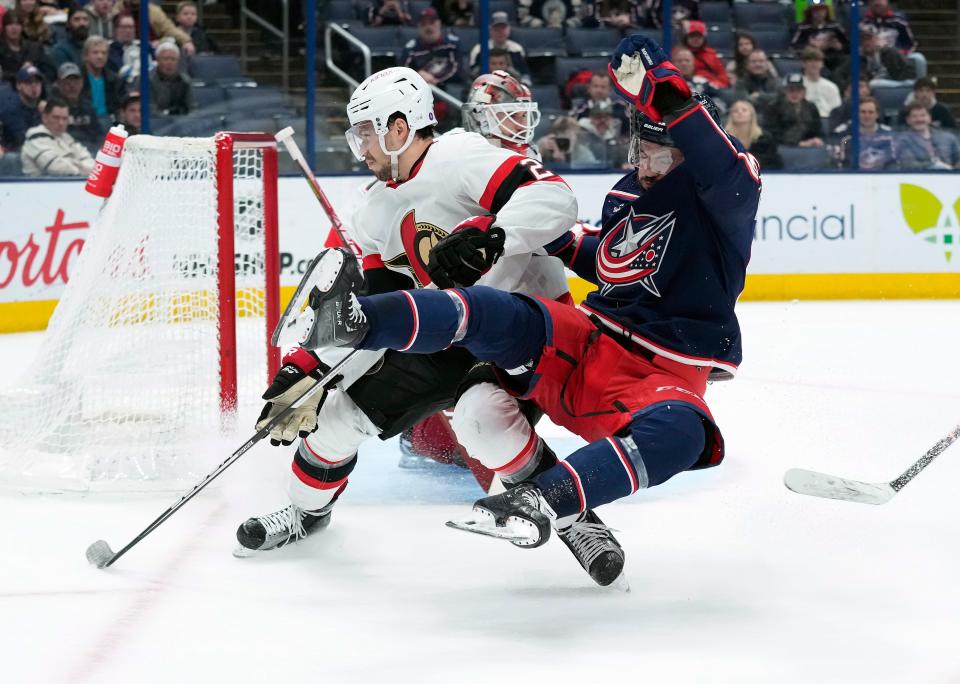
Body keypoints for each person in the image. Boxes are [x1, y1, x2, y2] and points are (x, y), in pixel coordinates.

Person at [295, 33, 760, 562]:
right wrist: (499, 230)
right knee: (483, 340)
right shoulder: (629, 194)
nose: (643, 166)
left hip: (661, 366)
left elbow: (718, 162)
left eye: (657, 154)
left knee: (680, 433)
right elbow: (604, 259)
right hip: (586, 337)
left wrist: (668, 95)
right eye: (640, 151)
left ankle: (547, 501)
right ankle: (355, 330)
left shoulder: (724, 198)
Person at [235, 66, 625, 587]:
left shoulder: (461, 157)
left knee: (484, 421)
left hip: (526, 325)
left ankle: (578, 520)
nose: (361, 147)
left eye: (368, 132)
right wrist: (308, 368)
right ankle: (307, 513)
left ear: (400, 128)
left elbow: (556, 198)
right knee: (333, 417)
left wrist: (493, 235)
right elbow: (366, 308)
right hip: (447, 331)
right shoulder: (372, 210)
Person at [21, 96, 95, 175]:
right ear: (45, 118)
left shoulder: (66, 137)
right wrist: (83, 170)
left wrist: (87, 170)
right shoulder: (35, 138)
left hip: (72, 182)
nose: (61, 123)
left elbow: (87, 158)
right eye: (56, 118)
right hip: (41, 185)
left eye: (64, 118)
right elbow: (56, 168)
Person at [834, 25, 913, 90]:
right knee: (872, 84)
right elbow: (838, 74)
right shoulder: (855, 58)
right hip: (869, 91)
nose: (866, 42)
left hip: (893, 87)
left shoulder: (890, 53)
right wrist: (847, 88)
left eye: (869, 39)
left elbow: (908, 70)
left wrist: (899, 82)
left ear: (876, 39)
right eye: (863, 40)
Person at [860, 0, 924, 77]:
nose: (877, 2)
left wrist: (901, 54)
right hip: (871, 59)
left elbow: (910, 44)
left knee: (917, 58)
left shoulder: (899, 22)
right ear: (869, 3)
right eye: (873, 0)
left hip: (896, 60)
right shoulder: (863, 23)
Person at [401, 7, 461, 89]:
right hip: (420, 90)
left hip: (446, 90)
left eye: (432, 23)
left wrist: (436, 80)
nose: (428, 27)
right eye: (424, 24)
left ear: (439, 24)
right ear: (418, 28)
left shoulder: (452, 44)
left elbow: (458, 71)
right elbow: (403, 75)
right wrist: (418, 75)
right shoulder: (410, 49)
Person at [467, 11, 531, 85]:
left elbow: (524, 73)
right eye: (497, 29)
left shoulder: (517, 49)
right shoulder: (479, 49)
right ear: (490, 31)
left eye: (503, 29)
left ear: (509, 30)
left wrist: (523, 86)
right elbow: (472, 74)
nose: (500, 32)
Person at [50, 61, 102, 151]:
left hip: (89, 150)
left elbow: (99, 135)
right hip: (63, 150)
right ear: (58, 84)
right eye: (67, 82)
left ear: (82, 83)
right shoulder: (52, 108)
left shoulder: (88, 107)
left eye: (75, 82)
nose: (72, 86)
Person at [834, 96, 896, 170]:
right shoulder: (843, 134)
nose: (867, 116)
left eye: (871, 112)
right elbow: (838, 161)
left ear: (877, 114)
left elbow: (893, 162)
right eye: (863, 112)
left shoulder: (888, 134)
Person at [896, 102, 960, 170]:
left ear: (930, 118)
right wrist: (934, 165)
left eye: (923, 115)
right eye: (914, 116)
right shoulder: (902, 140)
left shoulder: (948, 137)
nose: (919, 119)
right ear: (908, 120)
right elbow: (908, 164)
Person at [765, 73, 824, 147]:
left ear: (804, 92)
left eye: (798, 90)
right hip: (783, 146)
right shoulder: (773, 107)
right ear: (785, 91)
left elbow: (818, 129)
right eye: (791, 90)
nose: (795, 94)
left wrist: (816, 139)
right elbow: (771, 133)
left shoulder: (811, 107)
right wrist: (799, 143)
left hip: (809, 146)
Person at [790, 0, 848, 74]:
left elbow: (848, 45)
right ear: (810, 12)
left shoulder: (835, 26)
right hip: (813, 59)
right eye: (816, 11)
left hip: (835, 59)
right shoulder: (803, 28)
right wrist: (811, 47)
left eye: (822, 10)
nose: (819, 13)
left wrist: (840, 46)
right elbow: (794, 47)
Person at [135, 41, 192, 115]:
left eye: (173, 59)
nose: (169, 63)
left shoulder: (185, 80)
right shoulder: (145, 80)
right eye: (165, 59)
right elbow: (148, 108)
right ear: (158, 60)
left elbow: (191, 107)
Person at [724, 99, 782, 170]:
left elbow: (776, 161)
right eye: (736, 111)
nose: (740, 112)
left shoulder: (764, 138)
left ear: (752, 115)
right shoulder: (724, 138)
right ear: (731, 115)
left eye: (744, 110)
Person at [0, 10, 54, 85]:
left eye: (17, 24)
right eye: (10, 24)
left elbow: (50, 72)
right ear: (4, 27)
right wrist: (22, 73)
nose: (14, 28)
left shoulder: (35, 47)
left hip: (35, 87)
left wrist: (35, 73)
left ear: (22, 27)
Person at [0, 62, 41, 150]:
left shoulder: (40, 109)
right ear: (18, 85)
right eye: (29, 82)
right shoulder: (12, 109)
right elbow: (24, 140)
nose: (34, 86)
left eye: (37, 82)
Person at [81, 35, 121, 118]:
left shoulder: (114, 79)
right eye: (95, 52)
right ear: (86, 56)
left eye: (104, 53)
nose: (100, 57)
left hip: (109, 119)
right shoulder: (78, 78)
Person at [681, 20, 729, 89]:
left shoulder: (711, 54)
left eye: (699, 36)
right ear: (686, 37)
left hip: (709, 88)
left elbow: (722, 77)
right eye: (692, 36)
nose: (695, 39)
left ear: (704, 38)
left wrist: (715, 85)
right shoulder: (679, 54)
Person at [733, 49, 781, 114]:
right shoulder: (741, 83)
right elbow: (743, 103)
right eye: (753, 61)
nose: (757, 64)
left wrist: (759, 96)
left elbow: (780, 100)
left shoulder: (776, 81)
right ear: (747, 65)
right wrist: (769, 99)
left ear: (767, 64)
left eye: (761, 61)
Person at [800, 46, 840, 118]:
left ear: (822, 64)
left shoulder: (831, 86)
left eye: (817, 60)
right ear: (803, 64)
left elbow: (836, 111)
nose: (814, 64)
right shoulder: (798, 85)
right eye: (810, 60)